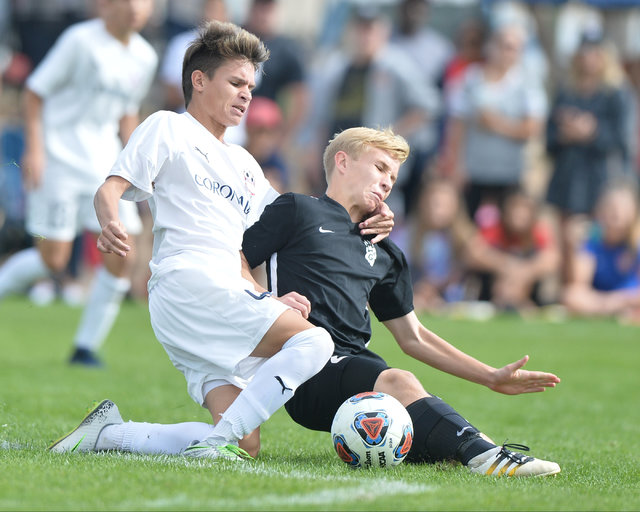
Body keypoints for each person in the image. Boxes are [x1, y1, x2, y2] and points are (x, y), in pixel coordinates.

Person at [48, 21, 394, 461]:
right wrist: (110, 220)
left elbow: (299, 220)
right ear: (199, 80)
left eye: (250, 85)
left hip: (214, 295)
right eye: (235, 82)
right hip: (189, 280)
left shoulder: (244, 164)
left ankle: (109, 435)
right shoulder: (168, 128)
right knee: (315, 342)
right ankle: (213, 444)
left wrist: (370, 207)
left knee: (245, 442)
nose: (246, 94)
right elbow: (110, 188)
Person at [241, 126, 561, 477]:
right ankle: (491, 459)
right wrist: (269, 302)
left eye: (393, 176)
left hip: (354, 364)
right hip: (303, 366)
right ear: (343, 162)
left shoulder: (385, 251)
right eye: (380, 168)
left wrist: (490, 377)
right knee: (398, 381)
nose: (388, 181)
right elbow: (237, 258)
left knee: (424, 422)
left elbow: (414, 337)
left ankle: (485, 451)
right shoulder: (297, 208)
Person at [0, 0, 158, 366]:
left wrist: (136, 162)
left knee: (123, 252)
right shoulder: (79, 40)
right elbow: (35, 92)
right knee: (52, 258)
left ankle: (85, 347)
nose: (137, 8)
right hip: (59, 159)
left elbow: (128, 113)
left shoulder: (144, 56)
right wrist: (35, 151)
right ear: (107, 5)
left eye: (145, 2)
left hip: (105, 163)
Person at [545, 33, 629, 283]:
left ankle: (592, 289)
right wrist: (566, 133)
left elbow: (621, 140)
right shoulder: (566, 91)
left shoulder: (615, 93)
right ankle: (568, 290)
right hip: (568, 176)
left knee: (596, 238)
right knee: (565, 239)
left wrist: (592, 131)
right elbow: (548, 139)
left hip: (599, 178)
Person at [444, 23, 547, 221]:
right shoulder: (470, 78)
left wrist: (496, 124)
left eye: (513, 48)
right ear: (491, 46)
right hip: (474, 172)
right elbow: (457, 124)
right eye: (504, 45)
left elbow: (533, 128)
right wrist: (455, 165)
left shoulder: (528, 83)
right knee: (466, 225)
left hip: (511, 173)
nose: (507, 53)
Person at [467, 187, 561, 311]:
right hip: (493, 291)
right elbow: (473, 253)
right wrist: (506, 265)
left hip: (528, 290)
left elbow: (552, 259)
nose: (518, 214)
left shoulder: (538, 232)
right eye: (515, 208)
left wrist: (524, 271)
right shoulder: (494, 229)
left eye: (524, 209)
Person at [563, 181, 640, 322]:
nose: (616, 212)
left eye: (623, 207)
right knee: (571, 296)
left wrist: (622, 300)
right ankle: (615, 313)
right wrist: (574, 247)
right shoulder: (592, 240)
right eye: (611, 207)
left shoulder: (636, 243)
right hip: (602, 300)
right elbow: (579, 284)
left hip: (630, 299)